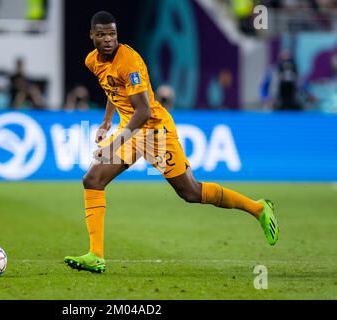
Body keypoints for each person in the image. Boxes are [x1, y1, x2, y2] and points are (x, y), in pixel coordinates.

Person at [63, 11, 279, 273]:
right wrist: (107, 122)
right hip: (130, 131)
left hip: (155, 131)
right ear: (92, 36)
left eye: (112, 34)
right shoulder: (92, 61)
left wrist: (112, 143)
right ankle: (96, 255)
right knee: (93, 179)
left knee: (191, 192)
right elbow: (113, 89)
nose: (108, 39)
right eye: (102, 35)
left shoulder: (129, 62)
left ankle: (257, 208)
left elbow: (142, 112)